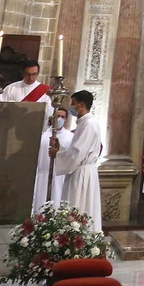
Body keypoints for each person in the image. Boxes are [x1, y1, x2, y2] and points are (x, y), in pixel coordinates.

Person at [50, 90, 104, 231]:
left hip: (82, 173)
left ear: (81, 105)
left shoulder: (89, 124)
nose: (71, 108)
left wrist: (57, 154)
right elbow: (76, 149)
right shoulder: (83, 123)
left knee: (79, 207)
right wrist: (60, 148)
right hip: (79, 170)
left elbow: (77, 153)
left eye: (73, 105)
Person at [34, 106, 75, 207]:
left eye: (63, 117)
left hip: (60, 177)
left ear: (66, 119)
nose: (60, 119)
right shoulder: (41, 136)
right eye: (57, 116)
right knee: (41, 205)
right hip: (43, 175)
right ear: (52, 117)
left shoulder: (70, 137)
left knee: (58, 204)